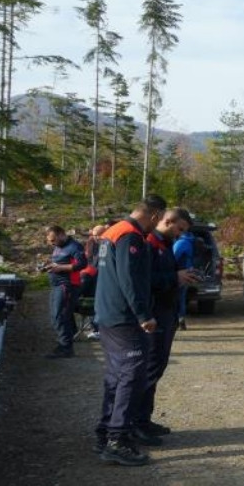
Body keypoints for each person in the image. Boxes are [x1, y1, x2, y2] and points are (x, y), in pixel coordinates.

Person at [94, 195, 166, 467]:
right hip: (124, 319)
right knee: (131, 375)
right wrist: (143, 315)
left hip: (109, 315)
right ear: (155, 215)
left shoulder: (112, 231)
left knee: (115, 375)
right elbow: (129, 279)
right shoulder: (130, 236)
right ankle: (117, 440)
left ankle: (105, 432)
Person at [136, 208, 199, 443]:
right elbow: (143, 281)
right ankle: (136, 423)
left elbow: (165, 275)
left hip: (167, 313)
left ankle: (144, 419)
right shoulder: (149, 244)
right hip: (155, 315)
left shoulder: (164, 244)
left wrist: (181, 276)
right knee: (148, 370)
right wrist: (175, 278)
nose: (181, 235)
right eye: (180, 229)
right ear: (168, 221)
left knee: (156, 368)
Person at [42, 225, 88, 359]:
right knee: (55, 315)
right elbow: (59, 262)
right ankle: (67, 337)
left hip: (67, 285)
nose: (52, 243)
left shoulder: (75, 247)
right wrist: (48, 265)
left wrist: (59, 267)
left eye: (53, 240)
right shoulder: (58, 247)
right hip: (56, 285)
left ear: (62, 234)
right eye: (50, 241)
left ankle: (66, 347)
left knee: (60, 316)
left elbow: (82, 264)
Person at [77, 225, 106, 341]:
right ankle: (95, 327)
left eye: (98, 235)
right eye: (94, 235)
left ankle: (98, 328)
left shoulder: (106, 244)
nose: (96, 237)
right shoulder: (92, 243)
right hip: (91, 275)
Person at [172, 224, 196, 330]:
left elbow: (174, 257)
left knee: (175, 297)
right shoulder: (191, 240)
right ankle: (181, 319)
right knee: (181, 297)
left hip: (181, 273)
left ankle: (177, 320)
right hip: (188, 271)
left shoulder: (181, 242)